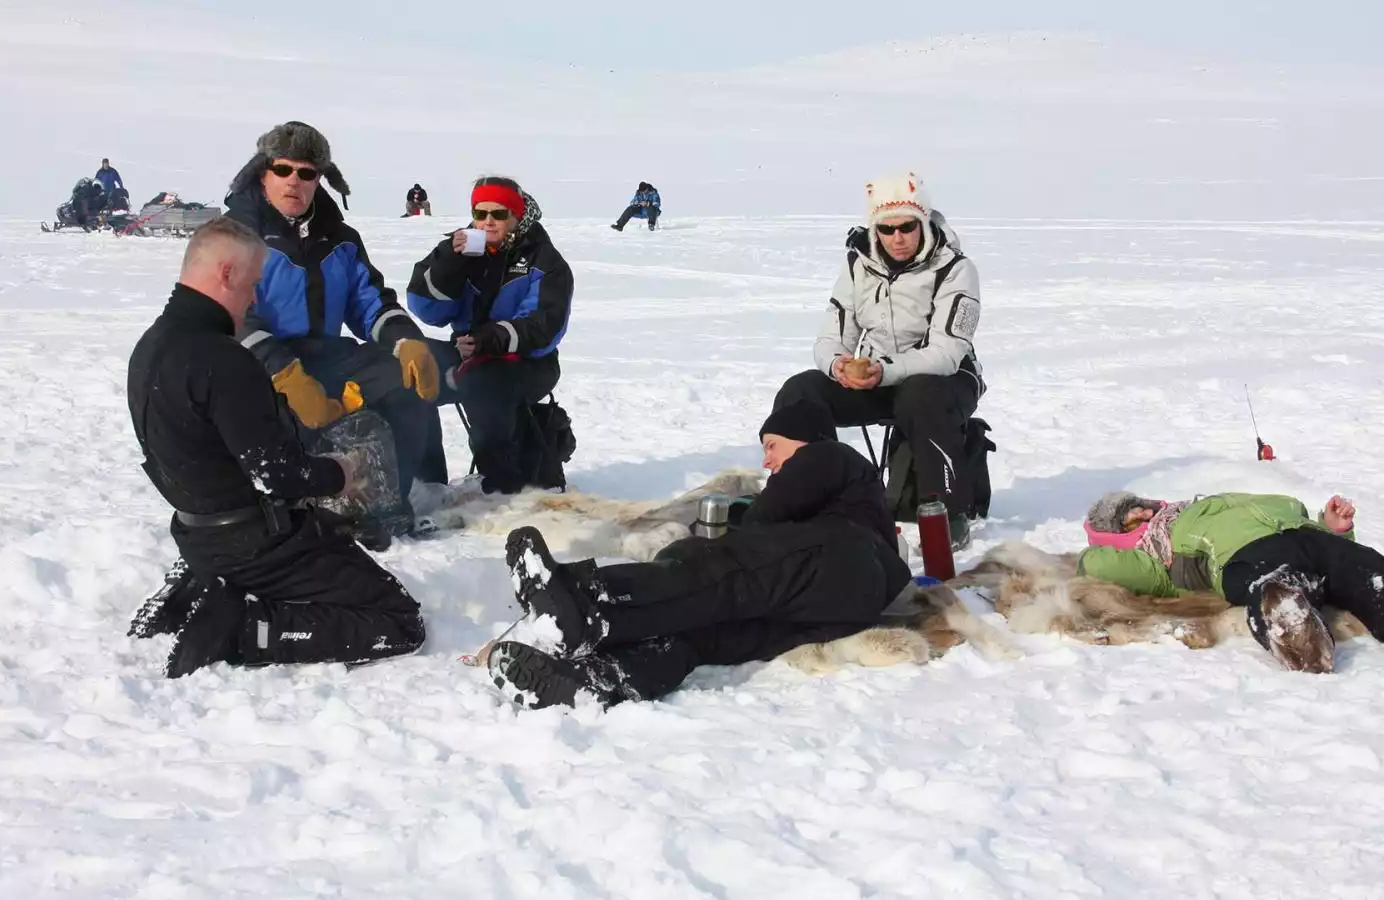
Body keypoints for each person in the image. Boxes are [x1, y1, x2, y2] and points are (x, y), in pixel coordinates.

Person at [126, 218, 426, 678]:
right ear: (226, 274)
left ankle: (202, 585)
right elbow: (279, 475)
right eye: (251, 285)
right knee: (399, 621)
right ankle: (242, 627)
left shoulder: (150, 346)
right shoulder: (222, 360)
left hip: (198, 534)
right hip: (255, 542)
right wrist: (340, 472)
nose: (252, 299)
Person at [482, 399, 912, 709]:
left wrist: (705, 544)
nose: (766, 462)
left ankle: (584, 602)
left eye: (772, 446)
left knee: (719, 570)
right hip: (837, 605)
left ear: (803, 440)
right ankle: (598, 680)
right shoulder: (835, 498)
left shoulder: (827, 454)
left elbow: (762, 523)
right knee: (702, 630)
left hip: (842, 556)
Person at [224, 121, 441, 538]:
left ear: (320, 179)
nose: (294, 181)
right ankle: (297, 502)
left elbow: (371, 302)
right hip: (255, 365)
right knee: (291, 420)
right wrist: (285, 373)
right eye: (283, 169)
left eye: (307, 173)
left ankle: (391, 498)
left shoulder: (340, 237)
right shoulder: (235, 235)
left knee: (407, 380)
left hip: (326, 353)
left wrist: (406, 340)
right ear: (263, 171)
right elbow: (233, 317)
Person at [772, 172, 984, 546]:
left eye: (907, 226)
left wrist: (883, 372)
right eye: (887, 229)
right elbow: (830, 337)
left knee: (920, 394)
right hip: (877, 375)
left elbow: (948, 354)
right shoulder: (857, 265)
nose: (897, 238)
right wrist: (838, 365)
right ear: (875, 230)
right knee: (802, 390)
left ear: (923, 223)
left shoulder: (955, 269)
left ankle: (949, 514)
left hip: (945, 380)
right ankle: (799, 499)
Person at [1079, 491, 1384, 674]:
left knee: (1369, 571)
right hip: (1240, 556)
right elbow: (1100, 565)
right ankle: (1293, 631)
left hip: (1304, 534)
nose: (1145, 512)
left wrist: (1330, 528)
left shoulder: (1196, 507)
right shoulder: (1157, 556)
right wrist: (1098, 545)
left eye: (1140, 504)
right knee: (1274, 584)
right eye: (1131, 518)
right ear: (1118, 537)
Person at [406, 176, 573, 495]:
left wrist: (487, 339)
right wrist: (450, 263)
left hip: (528, 361)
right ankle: (427, 484)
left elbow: (545, 327)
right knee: (411, 366)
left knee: (483, 381)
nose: (488, 222)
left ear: (516, 215)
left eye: (498, 214)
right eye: (480, 214)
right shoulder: (461, 249)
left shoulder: (545, 261)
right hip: (468, 352)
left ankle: (501, 483)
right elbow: (426, 308)